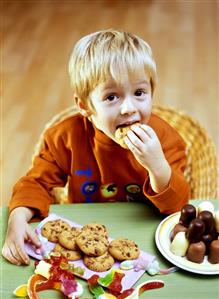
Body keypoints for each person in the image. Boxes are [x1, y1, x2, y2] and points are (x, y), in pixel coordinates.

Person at [2, 29, 190, 265]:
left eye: (140, 92)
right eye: (112, 97)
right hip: (85, 239)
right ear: (84, 105)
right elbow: (36, 183)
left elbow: (179, 206)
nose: (129, 108)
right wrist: (17, 218)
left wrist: (158, 167)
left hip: (148, 239)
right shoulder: (65, 137)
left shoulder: (165, 139)